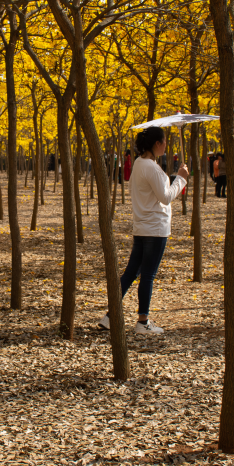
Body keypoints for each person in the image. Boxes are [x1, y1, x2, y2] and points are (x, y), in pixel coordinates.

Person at [97, 126, 188, 335]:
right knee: (147, 275)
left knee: (132, 272)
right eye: (164, 141)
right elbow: (165, 197)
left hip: (142, 225)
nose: (166, 145)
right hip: (155, 228)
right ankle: (143, 321)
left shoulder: (138, 164)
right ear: (157, 144)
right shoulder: (151, 168)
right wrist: (181, 179)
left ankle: (110, 316)